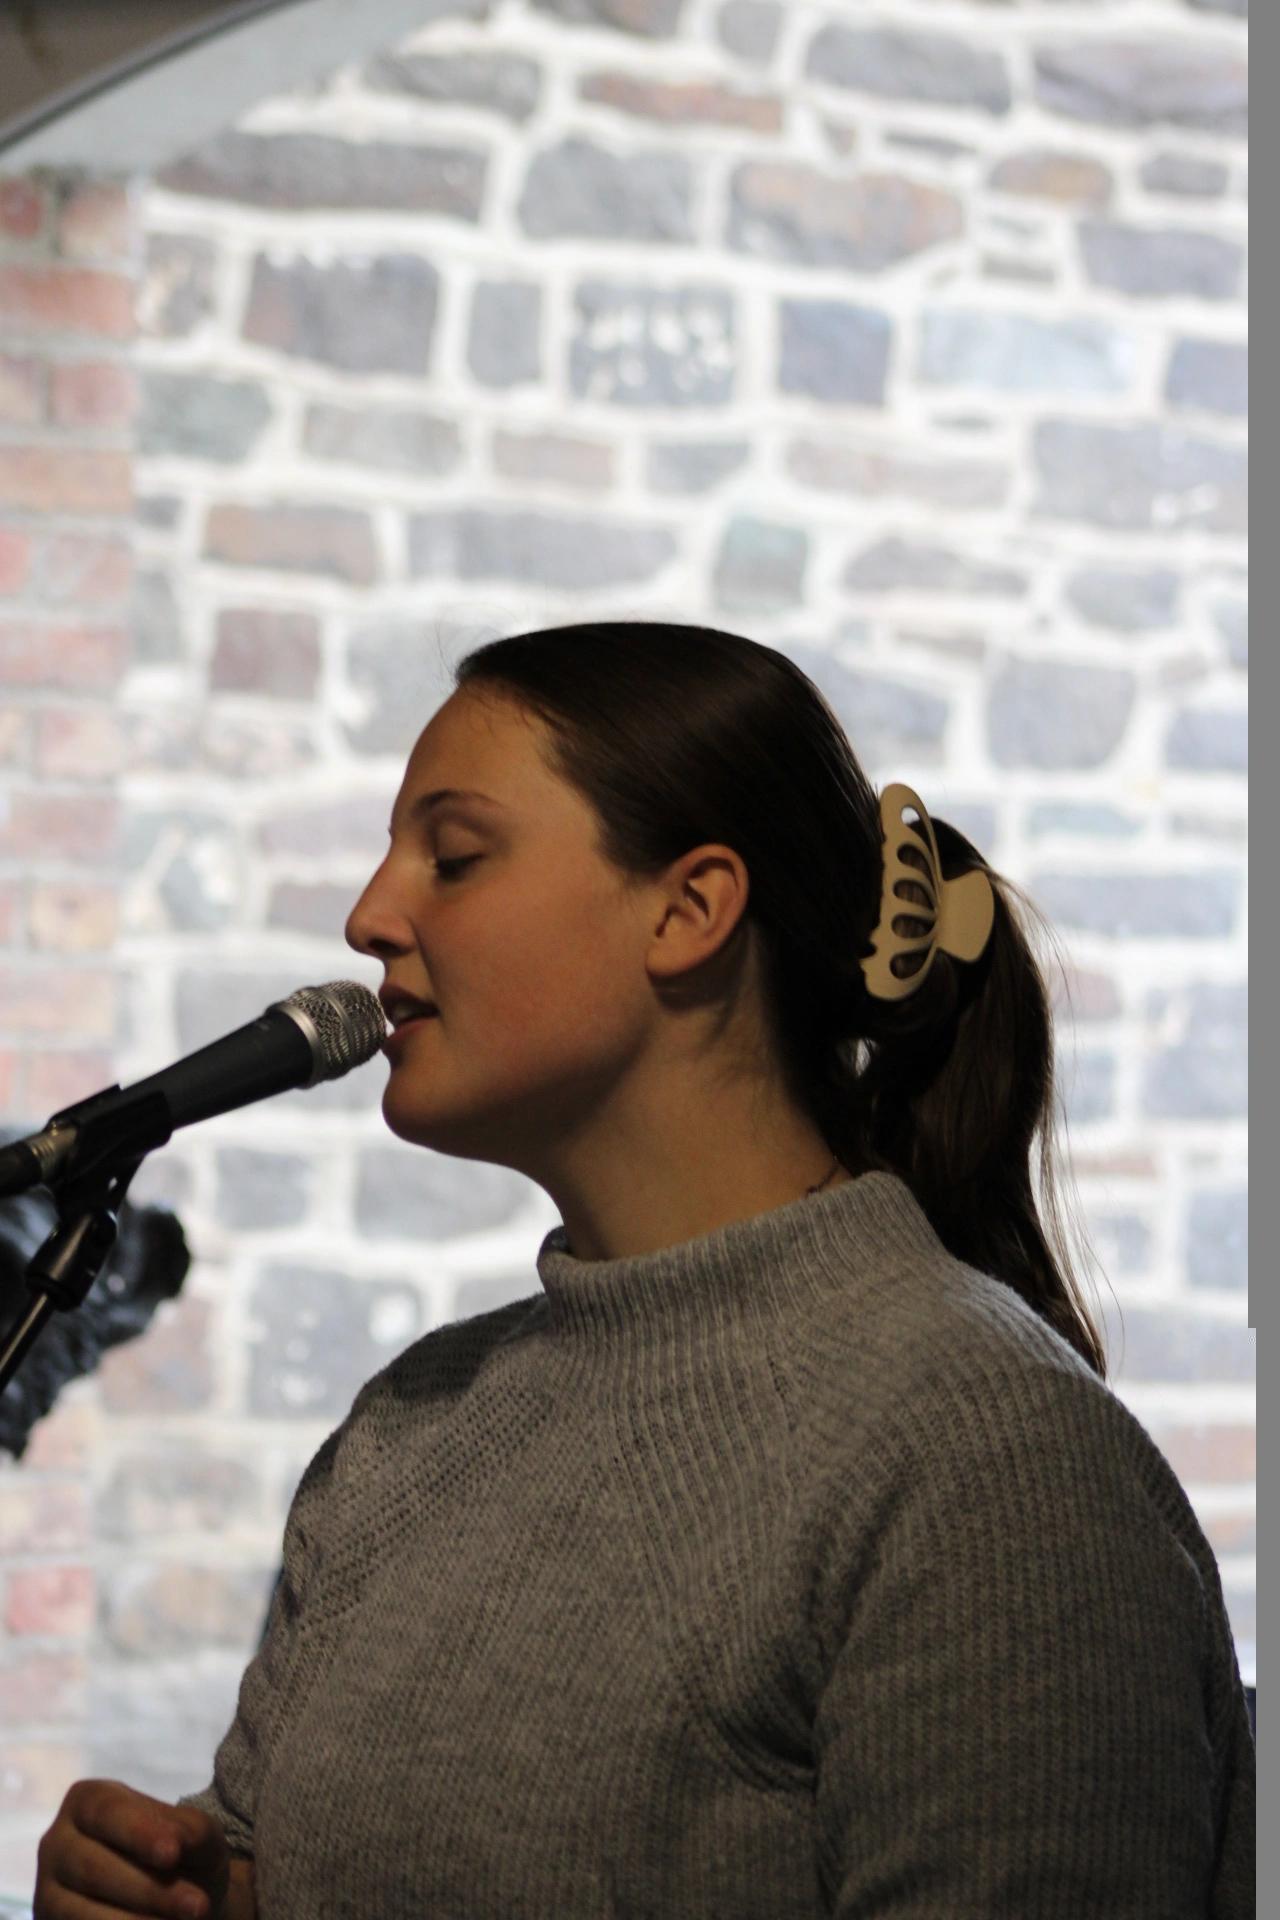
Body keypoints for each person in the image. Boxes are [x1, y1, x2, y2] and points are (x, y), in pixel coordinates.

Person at [36, 623, 1253, 1919]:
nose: (369, 916)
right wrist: (182, 1888)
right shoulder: (409, 1428)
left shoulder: (989, 1460)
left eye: (453, 855)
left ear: (689, 910)